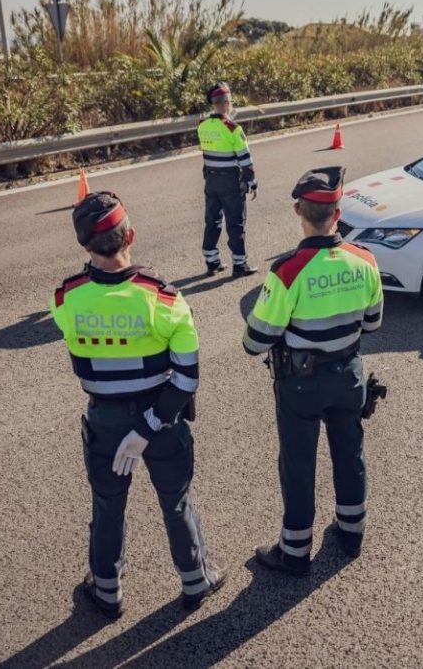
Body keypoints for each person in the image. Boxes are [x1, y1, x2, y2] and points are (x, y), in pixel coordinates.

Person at [51, 191, 226, 619]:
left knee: (108, 504)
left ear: (85, 246)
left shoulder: (65, 298)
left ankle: (107, 591)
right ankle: (195, 579)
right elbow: (186, 378)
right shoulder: (164, 298)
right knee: (176, 499)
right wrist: (148, 426)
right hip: (162, 418)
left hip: (104, 421)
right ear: (131, 234)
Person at [242, 167, 384, 575]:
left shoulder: (288, 270)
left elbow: (255, 341)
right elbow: (373, 323)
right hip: (349, 375)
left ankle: (295, 553)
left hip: (301, 386)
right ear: (338, 212)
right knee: (350, 453)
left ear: (297, 211)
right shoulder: (366, 260)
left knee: (299, 465)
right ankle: (352, 531)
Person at [197, 81, 258, 277]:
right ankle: (240, 265)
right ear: (224, 103)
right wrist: (252, 183)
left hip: (211, 180)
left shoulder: (202, 126)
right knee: (235, 222)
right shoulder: (233, 128)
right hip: (231, 181)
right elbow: (245, 159)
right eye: (230, 101)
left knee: (212, 221)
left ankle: (212, 261)